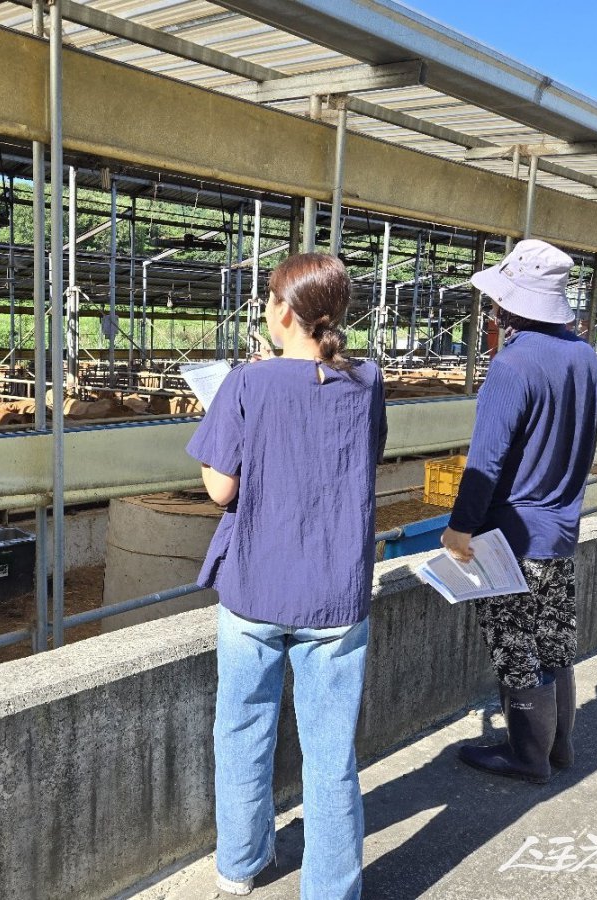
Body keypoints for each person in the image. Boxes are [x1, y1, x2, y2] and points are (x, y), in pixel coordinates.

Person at [186, 253, 387, 899]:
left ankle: (240, 867)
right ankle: (332, 889)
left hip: (256, 583)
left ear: (284, 310)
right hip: (335, 589)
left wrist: (222, 412)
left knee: (243, 730)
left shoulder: (248, 383)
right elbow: (363, 458)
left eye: (270, 302)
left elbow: (220, 489)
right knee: (331, 754)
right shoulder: (369, 380)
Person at [441, 238, 597, 785]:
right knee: (554, 637)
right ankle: (559, 748)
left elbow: (486, 460)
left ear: (510, 307)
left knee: (514, 643)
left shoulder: (512, 365)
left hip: (510, 535)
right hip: (559, 528)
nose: (493, 310)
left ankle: (526, 756)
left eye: (497, 302)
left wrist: (460, 528)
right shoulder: (585, 355)